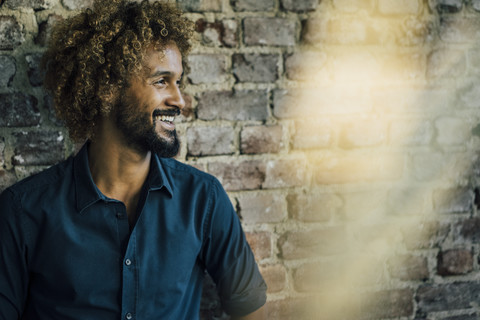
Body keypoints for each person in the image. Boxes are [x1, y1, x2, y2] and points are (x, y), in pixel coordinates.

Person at [0, 0, 267, 319]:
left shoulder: (203, 200)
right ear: (107, 88)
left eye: (177, 81)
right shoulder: (22, 211)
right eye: (161, 81)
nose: (179, 101)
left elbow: (251, 309)